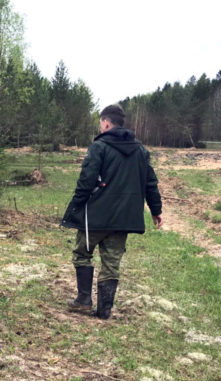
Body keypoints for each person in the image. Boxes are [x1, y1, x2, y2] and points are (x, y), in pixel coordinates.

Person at [60, 104, 163, 319]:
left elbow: (86, 181)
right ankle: (104, 310)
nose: (101, 127)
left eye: (100, 123)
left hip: (96, 215)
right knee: (112, 262)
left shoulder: (99, 147)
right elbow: (150, 183)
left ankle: (84, 300)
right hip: (123, 219)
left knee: (81, 253)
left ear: (106, 123)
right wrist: (156, 210)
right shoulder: (141, 151)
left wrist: (75, 206)